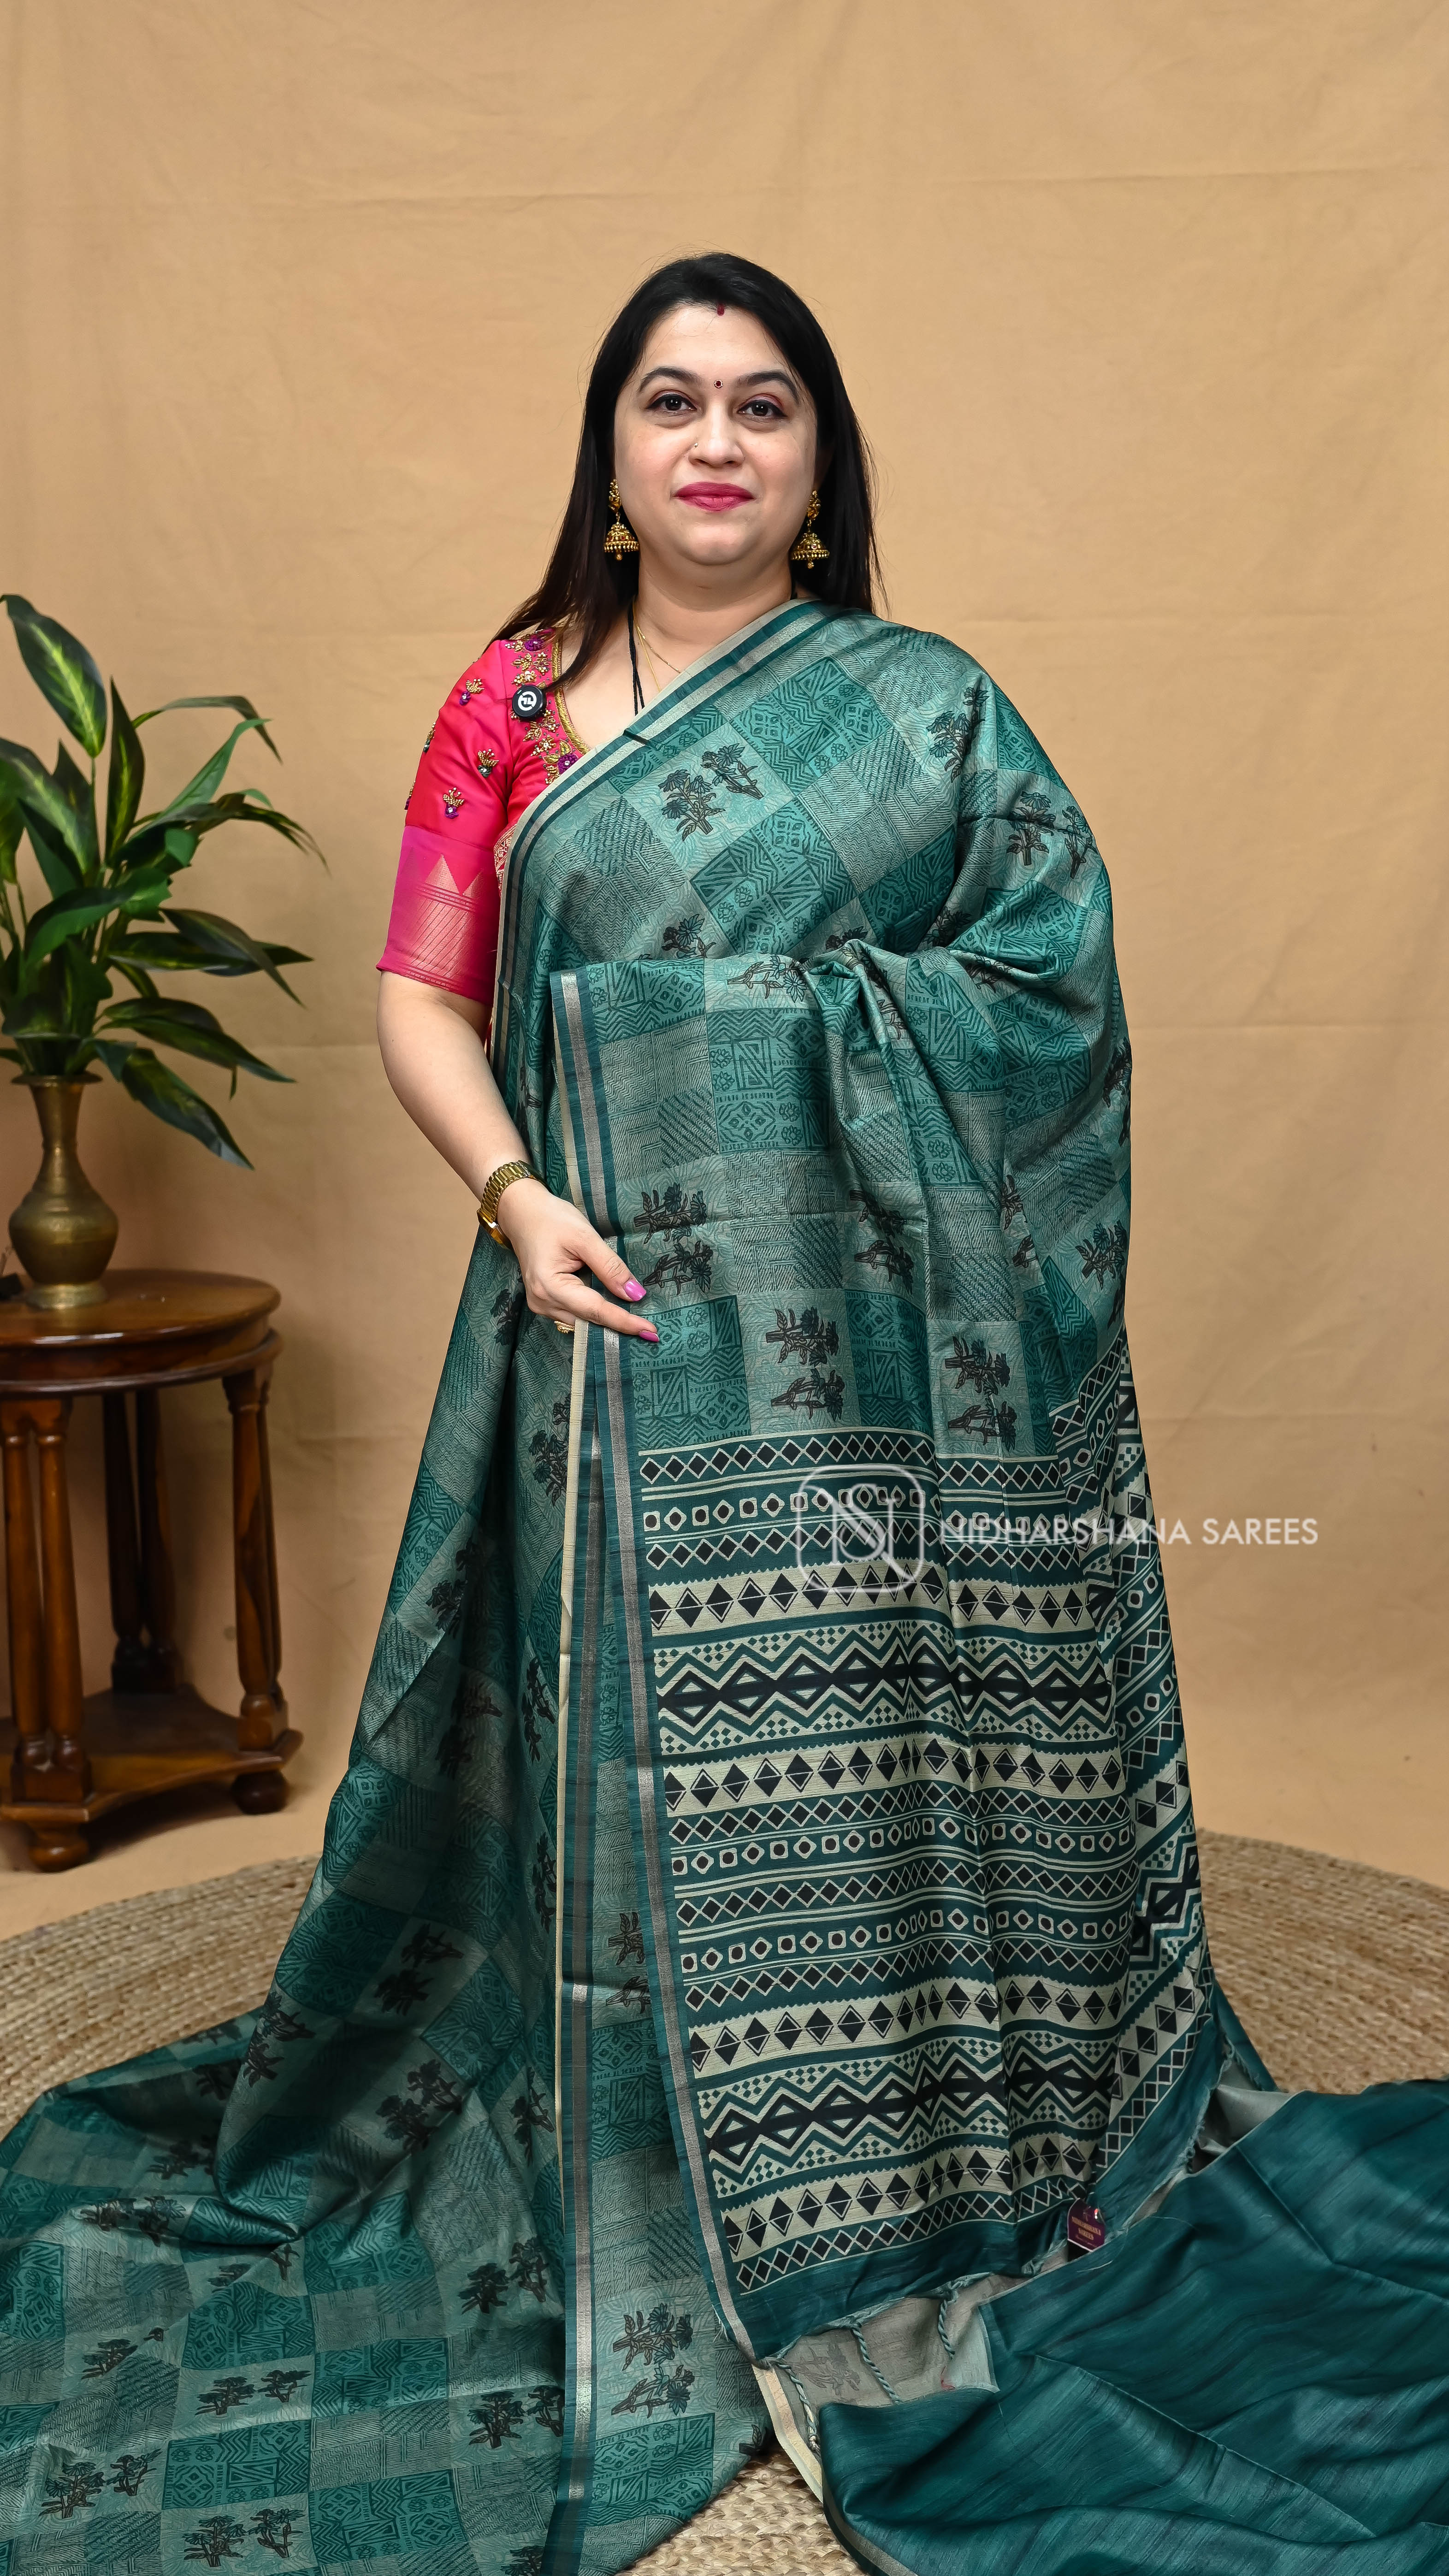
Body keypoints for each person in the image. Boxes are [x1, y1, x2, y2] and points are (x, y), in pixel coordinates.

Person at [5, 253, 1447, 2576]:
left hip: (872, 1382)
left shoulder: (929, 709)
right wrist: (515, 1194)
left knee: (859, 1737)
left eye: (764, 406)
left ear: (819, 463)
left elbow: (1051, 1001)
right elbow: (423, 989)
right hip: (603, 1323)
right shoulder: (511, 704)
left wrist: (742, 1038)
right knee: (612, 1775)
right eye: (670, 400)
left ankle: (894, 2140)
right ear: (608, 449)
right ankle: (642, 2161)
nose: (714, 441)